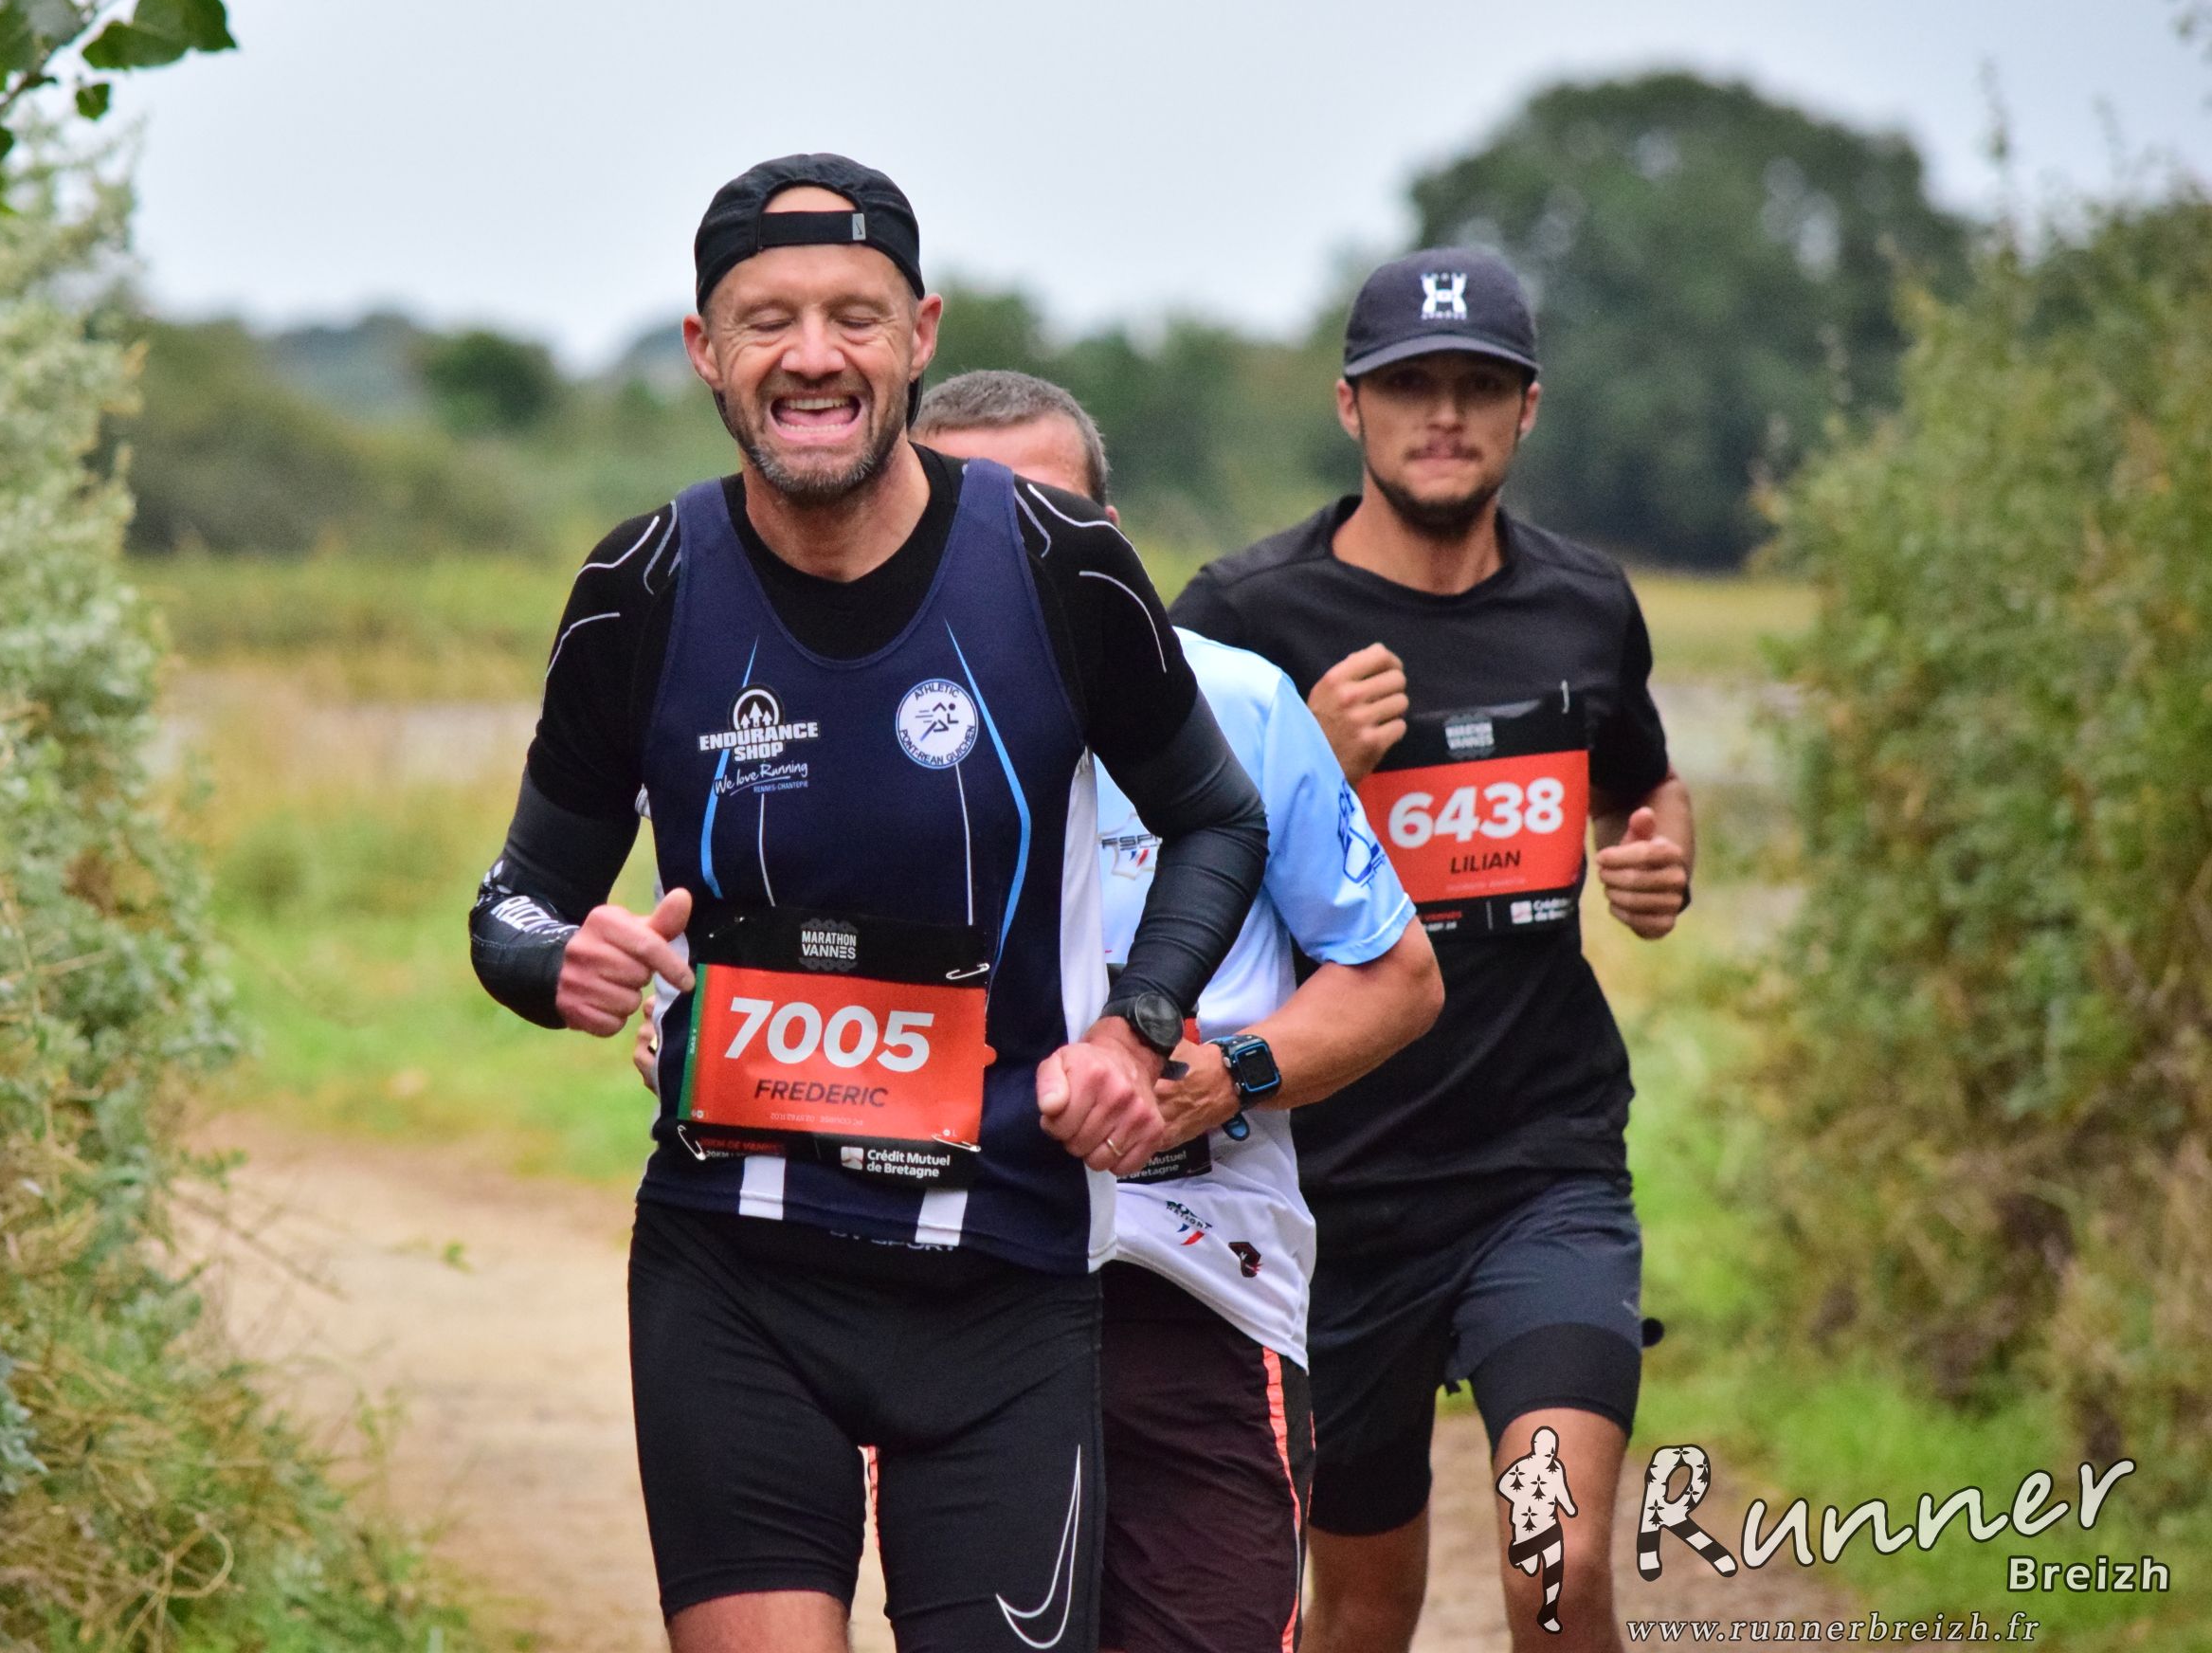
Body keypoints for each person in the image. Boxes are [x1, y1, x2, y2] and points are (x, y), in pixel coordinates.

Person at [468, 154, 1268, 1653]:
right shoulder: (643, 583)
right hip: (735, 1274)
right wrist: (558, 960)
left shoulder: (1058, 565)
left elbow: (1218, 817)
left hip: (1006, 1277)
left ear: (919, 335)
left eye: (854, 314)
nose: (813, 355)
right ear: (706, 350)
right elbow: (513, 902)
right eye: (767, 319)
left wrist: (1135, 1026)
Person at [1170, 248, 1697, 1653]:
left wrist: (1657, 855)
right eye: (1412, 386)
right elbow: (1147, 870)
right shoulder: (1244, 618)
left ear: (1528, 409)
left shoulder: (1586, 602)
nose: (1445, 415)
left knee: (1554, 1560)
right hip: (1328, 1190)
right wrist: (1304, 762)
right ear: (1352, 407)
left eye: (1479, 386)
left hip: (1542, 1166)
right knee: (1361, 1611)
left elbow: (1640, 783)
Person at [907, 371, 1443, 1653]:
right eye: (967, 525)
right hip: (955, 1277)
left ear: (1110, 540)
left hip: (1203, 1278)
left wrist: (1231, 1076)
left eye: (1047, 523)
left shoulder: (1243, 704)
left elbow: (1397, 978)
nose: (1011, 561)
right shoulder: (869, 718)